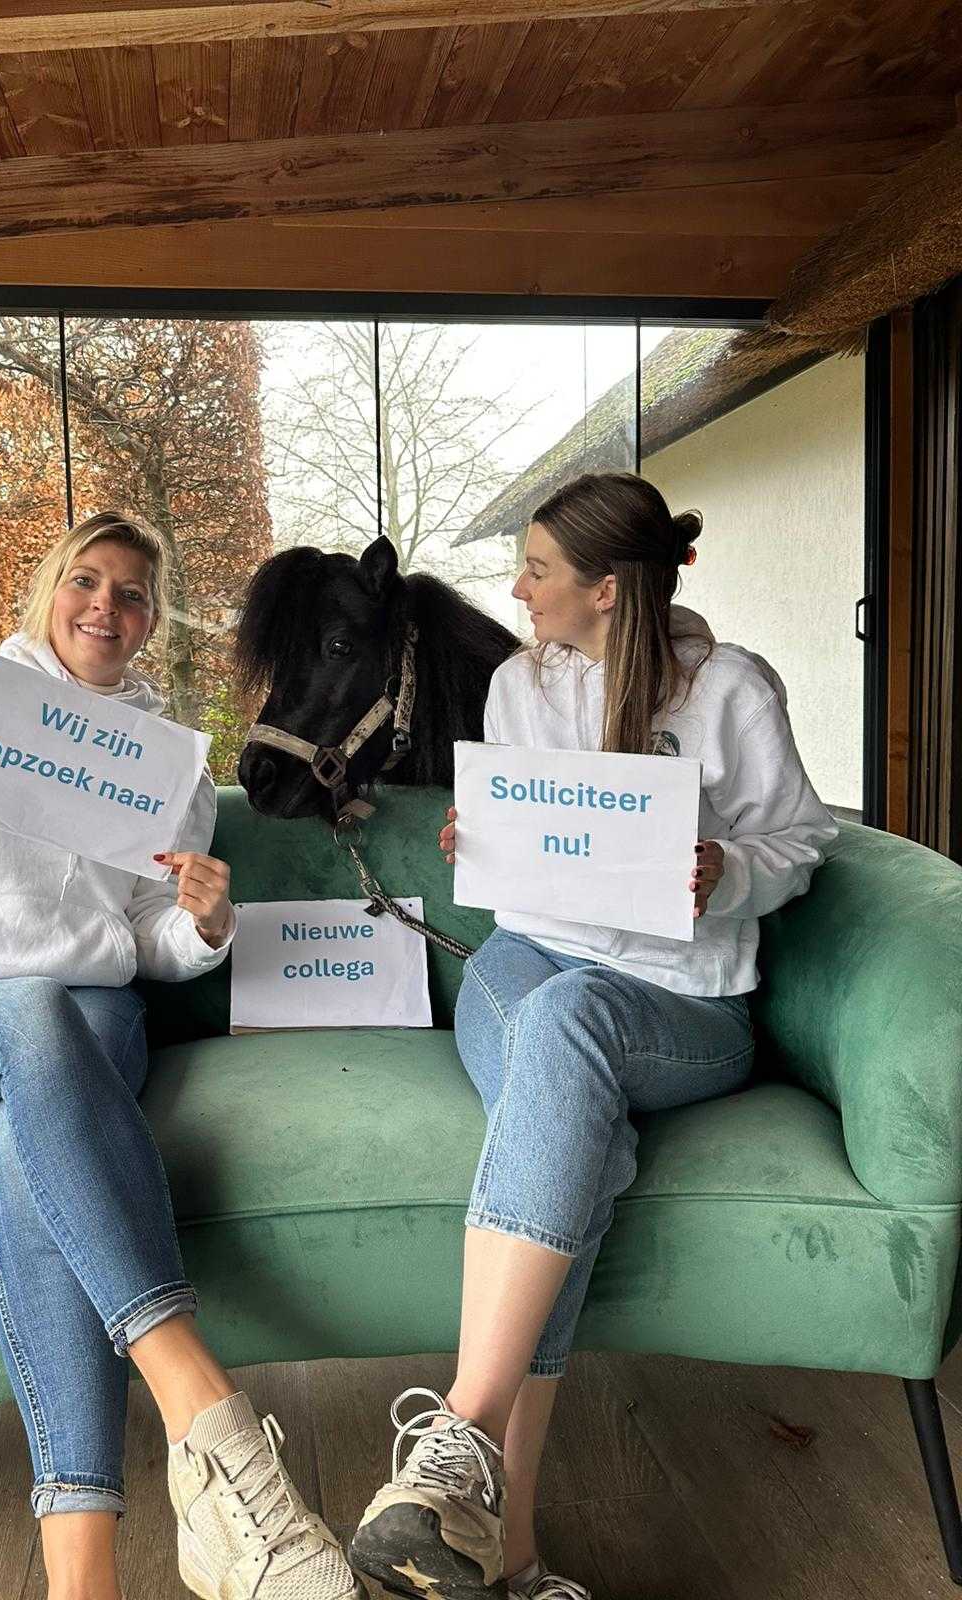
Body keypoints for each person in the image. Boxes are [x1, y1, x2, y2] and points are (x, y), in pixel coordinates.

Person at [0, 512, 362, 1600]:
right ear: (48, 589)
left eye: (133, 593)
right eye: (85, 581)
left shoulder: (165, 766)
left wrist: (205, 922)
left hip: (89, 1024)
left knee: (34, 1145)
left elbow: (145, 940)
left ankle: (81, 1577)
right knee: (29, 1015)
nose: (106, 606)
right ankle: (205, 1412)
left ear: (152, 619)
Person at [348, 473, 839, 1600]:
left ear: (608, 588)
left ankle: (462, 1432)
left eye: (537, 571)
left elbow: (802, 841)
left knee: (569, 1038)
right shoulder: (520, 685)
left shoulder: (732, 688)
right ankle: (510, 1555)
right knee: (575, 1122)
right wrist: (482, 837)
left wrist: (726, 870)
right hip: (523, 961)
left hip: (681, 1001)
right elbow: (523, 859)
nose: (519, 591)